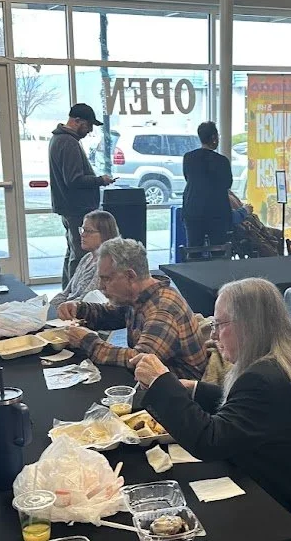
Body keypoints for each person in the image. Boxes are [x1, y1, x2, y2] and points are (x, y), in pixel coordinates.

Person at [132, 278, 291, 541]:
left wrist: (162, 384)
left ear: (248, 324)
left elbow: (211, 442)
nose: (213, 337)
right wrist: (193, 389)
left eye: (219, 326)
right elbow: (252, 414)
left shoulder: (263, 378)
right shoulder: (289, 359)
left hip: (276, 517)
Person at [57, 237, 207, 380]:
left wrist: (87, 341)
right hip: (158, 386)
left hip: (181, 394)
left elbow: (138, 360)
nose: (101, 286)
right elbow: (112, 315)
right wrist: (80, 309)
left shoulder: (163, 309)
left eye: (106, 279)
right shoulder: (140, 295)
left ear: (130, 276)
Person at [50, 104, 115, 287]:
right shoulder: (68, 142)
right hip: (77, 208)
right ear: (77, 121)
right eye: (88, 125)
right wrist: (100, 180)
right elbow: (74, 180)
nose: (90, 130)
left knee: (72, 251)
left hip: (69, 207)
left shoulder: (58, 139)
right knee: (81, 255)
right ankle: (75, 297)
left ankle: (67, 293)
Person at [181, 121, 234, 249]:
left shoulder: (188, 158)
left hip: (192, 209)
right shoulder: (222, 161)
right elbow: (227, 183)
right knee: (218, 251)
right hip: (217, 212)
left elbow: (187, 178)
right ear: (214, 138)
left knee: (194, 250)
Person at [51, 210, 119, 306]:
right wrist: (48, 308)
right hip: (68, 307)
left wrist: (60, 309)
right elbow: (66, 293)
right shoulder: (87, 258)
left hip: (79, 312)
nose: (82, 234)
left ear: (105, 234)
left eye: (89, 231)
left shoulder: (107, 263)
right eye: (82, 230)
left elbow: (86, 298)